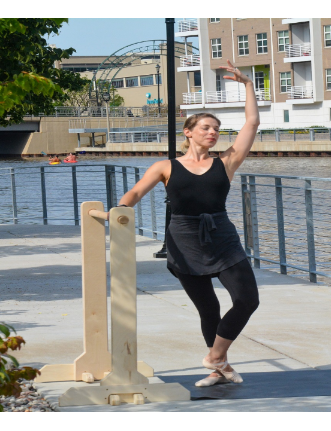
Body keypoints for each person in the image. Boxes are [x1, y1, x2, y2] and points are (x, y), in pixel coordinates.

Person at [113, 60, 260, 387]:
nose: (213, 132)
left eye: (217, 129)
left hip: (222, 239)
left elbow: (252, 122)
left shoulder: (226, 162)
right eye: (206, 127)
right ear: (189, 132)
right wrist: (119, 212)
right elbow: (135, 192)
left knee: (248, 299)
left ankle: (215, 357)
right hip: (184, 243)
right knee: (208, 309)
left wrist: (247, 85)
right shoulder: (165, 167)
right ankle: (219, 369)